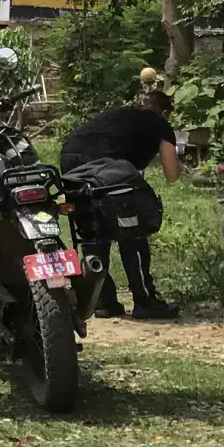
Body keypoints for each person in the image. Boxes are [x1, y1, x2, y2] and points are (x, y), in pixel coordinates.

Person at [58, 82, 182, 320]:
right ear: (165, 114)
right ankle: (145, 301)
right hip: (107, 167)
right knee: (132, 230)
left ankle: (102, 301)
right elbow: (172, 175)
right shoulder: (160, 123)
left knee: (93, 230)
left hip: (69, 161)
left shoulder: (118, 115)